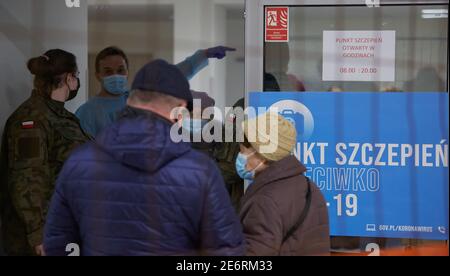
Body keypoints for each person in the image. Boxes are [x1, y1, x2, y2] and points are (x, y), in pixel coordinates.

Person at [43, 59, 245, 256]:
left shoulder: (80, 163)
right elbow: (226, 249)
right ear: (180, 108)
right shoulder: (199, 171)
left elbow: (58, 242)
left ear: (130, 100)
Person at [0, 49, 91, 256]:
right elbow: (27, 179)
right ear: (68, 78)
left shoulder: (62, 116)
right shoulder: (31, 119)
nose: (76, 82)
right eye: (76, 76)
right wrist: (39, 234)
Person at [76, 46, 236, 137]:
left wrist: (203, 55)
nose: (115, 76)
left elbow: (172, 75)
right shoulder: (87, 112)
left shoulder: (138, 99)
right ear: (98, 75)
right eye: (108, 71)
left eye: (120, 70)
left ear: (127, 71)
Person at [238, 112, 330, 256]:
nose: (240, 157)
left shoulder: (264, 200)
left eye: (243, 151)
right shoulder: (310, 188)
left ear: (262, 154)